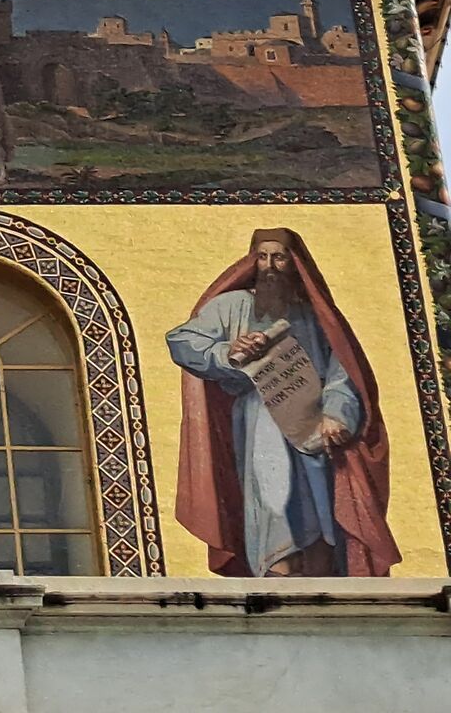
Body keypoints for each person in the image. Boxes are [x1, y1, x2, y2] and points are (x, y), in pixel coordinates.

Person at [167, 228, 397, 576]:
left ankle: (320, 580)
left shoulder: (316, 317)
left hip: (312, 423)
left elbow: (343, 372)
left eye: (279, 256)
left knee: (320, 507)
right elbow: (182, 341)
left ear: (295, 263)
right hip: (261, 417)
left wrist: (337, 415)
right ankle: (278, 574)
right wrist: (229, 351)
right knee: (273, 497)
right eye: (263, 257)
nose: (270, 265)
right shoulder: (233, 306)